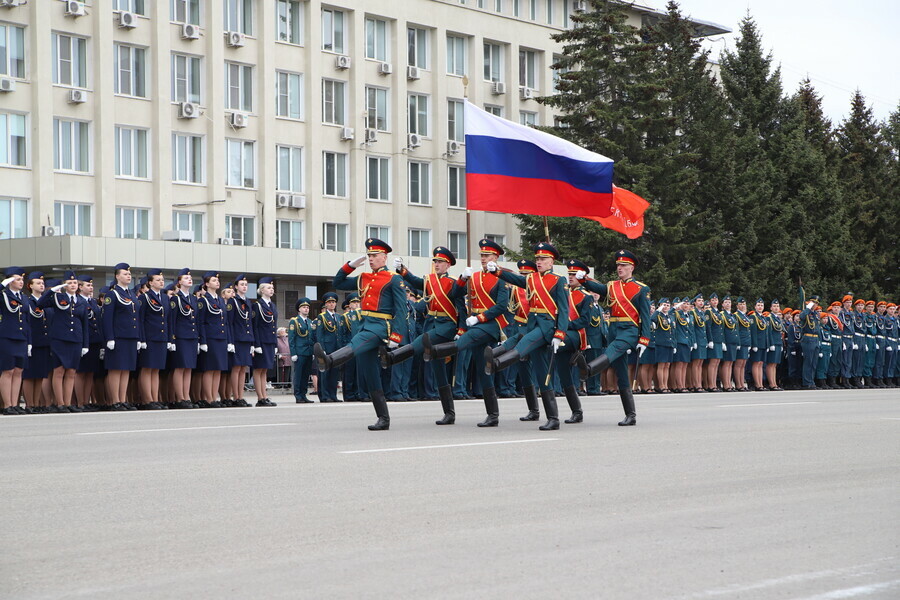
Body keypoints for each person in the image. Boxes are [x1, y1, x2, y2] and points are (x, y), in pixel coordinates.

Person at [314, 238, 408, 430]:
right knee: (370, 373)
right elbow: (338, 282)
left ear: (384, 257)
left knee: (355, 345)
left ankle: (329, 361)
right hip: (366, 324)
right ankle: (384, 418)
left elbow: (401, 310)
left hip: (381, 326)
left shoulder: (393, 278)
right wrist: (350, 266)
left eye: (374, 255)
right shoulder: (364, 277)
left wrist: (396, 337)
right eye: (369, 256)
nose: (371, 259)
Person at [482, 242, 568, 430]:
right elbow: (515, 279)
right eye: (537, 258)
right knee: (541, 373)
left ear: (551, 261)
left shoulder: (559, 280)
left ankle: (496, 364)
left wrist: (560, 334)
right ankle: (553, 418)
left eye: (543, 259)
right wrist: (497, 271)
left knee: (524, 343)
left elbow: (564, 309)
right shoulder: (531, 279)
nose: (539, 262)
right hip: (533, 324)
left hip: (547, 327)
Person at [383, 246, 466, 424]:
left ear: (448, 264)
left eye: (440, 262)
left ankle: (392, 357)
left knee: (422, 342)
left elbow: (461, 308)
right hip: (432, 323)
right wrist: (401, 270)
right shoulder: (429, 280)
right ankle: (449, 413)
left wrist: (461, 329)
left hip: (446, 326)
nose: (436, 264)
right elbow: (414, 280)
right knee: (439, 371)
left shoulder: (453, 283)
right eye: (435, 261)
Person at [571, 250, 650, 426]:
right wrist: (583, 279)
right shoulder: (612, 285)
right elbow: (597, 288)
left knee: (613, 350)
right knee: (621, 374)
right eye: (618, 265)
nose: (619, 268)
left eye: (623, 265)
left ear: (631, 267)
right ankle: (631, 414)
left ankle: (589, 370)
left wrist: (644, 338)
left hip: (629, 330)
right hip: (614, 329)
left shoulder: (641, 289)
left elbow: (645, 315)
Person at [102, 263, 140, 411]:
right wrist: (110, 338)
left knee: (126, 369)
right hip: (118, 337)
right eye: (125, 274)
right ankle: (114, 401)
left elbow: (136, 317)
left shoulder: (131, 294)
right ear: (117, 276)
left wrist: (138, 338)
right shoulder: (113, 294)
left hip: (130, 336)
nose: (128, 276)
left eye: (129, 274)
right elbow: (107, 318)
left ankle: (122, 399)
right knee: (116, 369)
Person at [133, 268, 170, 410]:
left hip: (161, 337)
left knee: (156, 369)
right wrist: (141, 339)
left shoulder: (165, 298)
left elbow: (167, 319)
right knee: (147, 369)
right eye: (158, 280)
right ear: (150, 283)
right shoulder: (144, 297)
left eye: (162, 280)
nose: (161, 282)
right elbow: (140, 320)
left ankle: (155, 398)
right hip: (149, 338)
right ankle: (147, 400)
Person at [197, 271, 231, 408]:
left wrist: (228, 340)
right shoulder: (203, 300)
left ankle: (214, 397)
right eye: (213, 280)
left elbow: (225, 322)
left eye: (217, 280)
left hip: (221, 338)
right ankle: (208, 398)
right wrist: (203, 341)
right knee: (209, 369)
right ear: (206, 284)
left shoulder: (220, 300)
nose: (217, 282)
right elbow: (201, 322)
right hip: (210, 338)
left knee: (218, 369)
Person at [22, 272, 50, 413]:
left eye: (42, 283)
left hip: (43, 341)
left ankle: (37, 403)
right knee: (29, 375)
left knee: (40, 374)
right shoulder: (28, 301)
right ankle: (29, 404)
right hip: (32, 341)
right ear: (30, 286)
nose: (41, 285)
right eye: (38, 283)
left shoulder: (45, 302)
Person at [225, 275, 255, 407]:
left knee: (244, 368)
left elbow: (250, 323)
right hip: (236, 338)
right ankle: (235, 396)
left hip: (246, 339)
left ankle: (241, 396)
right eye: (242, 284)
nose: (244, 287)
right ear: (236, 287)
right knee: (236, 368)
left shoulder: (248, 302)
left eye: (246, 284)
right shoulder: (233, 301)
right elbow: (229, 323)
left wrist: (252, 342)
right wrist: (230, 341)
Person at [251, 276, 278, 407]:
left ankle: (265, 396)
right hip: (261, 341)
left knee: (265, 370)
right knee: (258, 369)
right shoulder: (257, 305)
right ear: (262, 290)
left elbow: (274, 325)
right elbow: (254, 326)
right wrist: (256, 344)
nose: (271, 290)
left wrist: (276, 343)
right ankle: (260, 397)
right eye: (268, 288)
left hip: (270, 341)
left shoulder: (272, 305)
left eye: (272, 288)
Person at [314, 292, 341, 402]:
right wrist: (322, 349)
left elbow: (340, 333)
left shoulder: (339, 317)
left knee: (334, 373)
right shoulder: (322, 317)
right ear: (326, 305)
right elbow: (320, 335)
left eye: (333, 302)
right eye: (329, 302)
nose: (332, 304)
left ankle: (333, 395)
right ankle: (324, 396)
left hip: (336, 348)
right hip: (327, 348)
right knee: (325, 374)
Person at [797, 288, 821, 390]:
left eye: (816, 303)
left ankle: (811, 381)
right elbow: (801, 317)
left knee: (814, 362)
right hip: (808, 339)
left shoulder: (816, 314)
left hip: (815, 339)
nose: (815, 304)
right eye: (813, 302)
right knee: (808, 362)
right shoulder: (805, 312)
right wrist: (808, 308)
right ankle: (806, 382)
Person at [653, 297, 675, 393]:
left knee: (667, 365)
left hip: (669, 343)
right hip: (661, 343)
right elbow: (652, 319)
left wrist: (674, 344)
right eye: (663, 305)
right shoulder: (658, 316)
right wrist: (658, 310)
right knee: (661, 365)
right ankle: (661, 385)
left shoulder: (669, 317)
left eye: (667, 305)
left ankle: (665, 385)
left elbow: (673, 331)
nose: (666, 307)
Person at [705, 293, 724, 391]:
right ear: (709, 302)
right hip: (713, 340)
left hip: (719, 340)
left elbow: (721, 328)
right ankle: (711, 385)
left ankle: (714, 384)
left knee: (717, 362)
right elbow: (708, 327)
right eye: (712, 300)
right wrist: (710, 340)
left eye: (716, 300)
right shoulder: (709, 312)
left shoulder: (718, 313)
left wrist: (723, 341)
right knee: (712, 363)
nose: (715, 301)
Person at [719, 296, 739, 391]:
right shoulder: (722, 315)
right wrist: (723, 342)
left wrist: (737, 341)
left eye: (729, 302)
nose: (728, 304)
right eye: (726, 302)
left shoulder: (732, 315)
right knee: (726, 363)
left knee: (731, 363)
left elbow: (736, 329)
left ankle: (729, 384)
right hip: (727, 341)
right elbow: (721, 329)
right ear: (722, 304)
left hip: (733, 341)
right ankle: (726, 384)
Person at [765, 299, 784, 391]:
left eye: (777, 306)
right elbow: (769, 333)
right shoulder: (769, 318)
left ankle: (774, 383)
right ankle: (771, 384)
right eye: (774, 306)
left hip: (778, 342)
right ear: (771, 308)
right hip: (773, 343)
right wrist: (771, 344)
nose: (776, 308)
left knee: (775, 364)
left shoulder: (777, 318)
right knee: (770, 364)